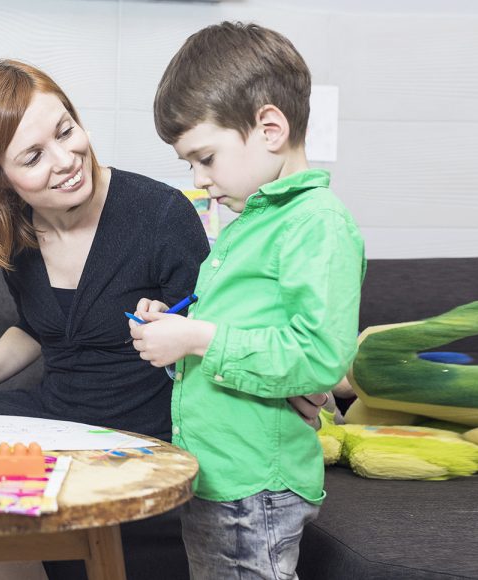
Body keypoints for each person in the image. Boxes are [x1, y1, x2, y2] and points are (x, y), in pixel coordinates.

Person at [0, 59, 209, 580]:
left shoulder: (161, 215)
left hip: (137, 427)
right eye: (34, 156)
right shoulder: (15, 229)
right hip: (55, 415)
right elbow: (40, 327)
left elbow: (208, 335)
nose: (66, 160)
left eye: (67, 131)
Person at [131, 21, 366, 580]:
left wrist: (196, 337)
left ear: (269, 128)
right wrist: (175, 334)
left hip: (255, 484)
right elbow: (236, 347)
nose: (199, 179)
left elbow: (319, 357)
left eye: (205, 158)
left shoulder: (318, 225)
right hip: (222, 474)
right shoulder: (249, 223)